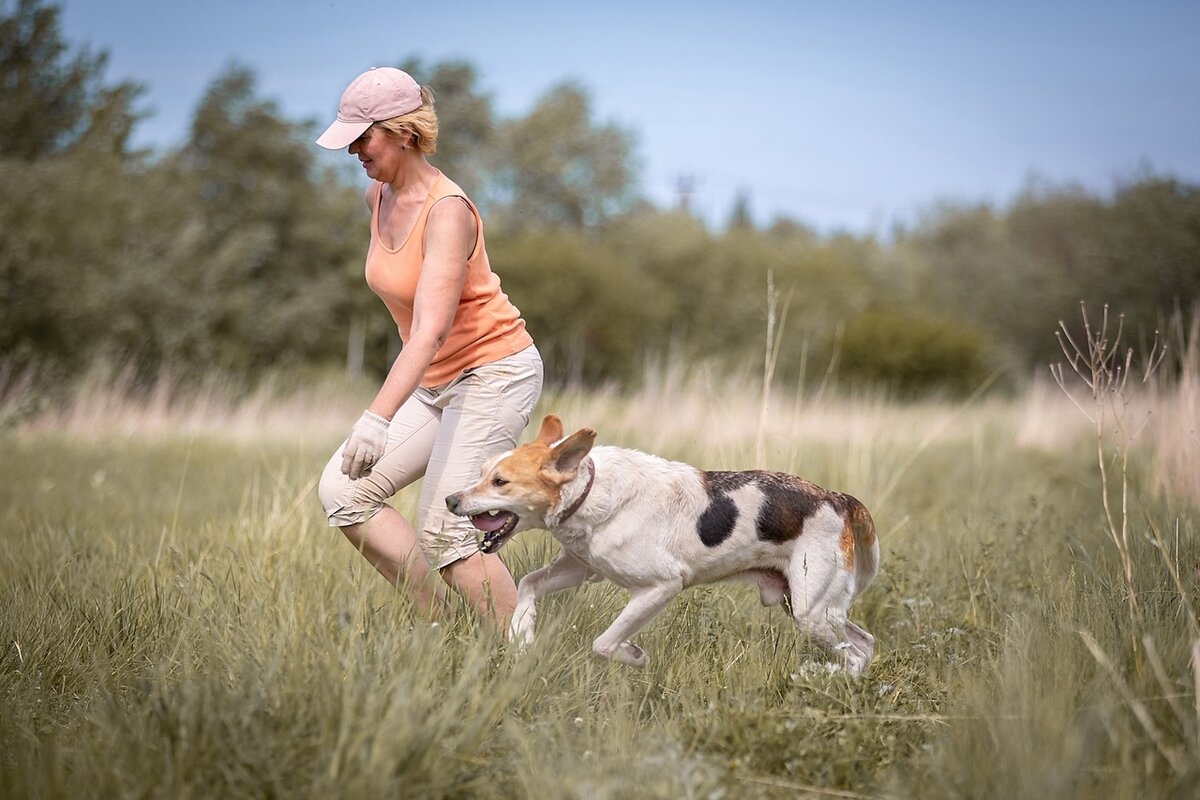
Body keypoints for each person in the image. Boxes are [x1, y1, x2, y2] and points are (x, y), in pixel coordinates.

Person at [315, 67, 542, 631]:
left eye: (362, 138)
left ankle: (525, 663)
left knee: (448, 531)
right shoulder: (378, 194)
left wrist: (376, 418)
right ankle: (445, 630)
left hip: (494, 373)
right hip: (436, 380)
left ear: (404, 132)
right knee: (343, 492)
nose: (354, 152)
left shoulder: (448, 212)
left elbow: (429, 331)